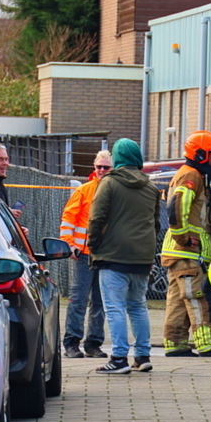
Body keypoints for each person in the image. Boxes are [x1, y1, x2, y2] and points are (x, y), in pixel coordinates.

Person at [87, 139, 161, 374]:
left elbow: (96, 217)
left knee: (115, 307)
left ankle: (119, 358)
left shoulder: (109, 183)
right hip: (142, 258)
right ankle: (142, 355)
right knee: (138, 306)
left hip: (113, 255)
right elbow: (156, 224)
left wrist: (94, 245)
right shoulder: (150, 187)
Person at [161, 131, 211, 357]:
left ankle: (176, 344)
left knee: (179, 300)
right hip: (186, 252)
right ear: (200, 155)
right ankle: (207, 344)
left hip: (178, 252)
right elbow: (176, 208)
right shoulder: (191, 176)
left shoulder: (193, 174)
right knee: (197, 296)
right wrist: (185, 239)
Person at [59, 150, 111, 359]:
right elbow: (68, 220)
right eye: (98, 166)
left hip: (105, 255)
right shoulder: (84, 191)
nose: (101, 170)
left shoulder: (114, 192)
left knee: (100, 302)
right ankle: (72, 342)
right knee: (78, 300)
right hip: (82, 255)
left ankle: (93, 344)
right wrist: (70, 245)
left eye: (105, 167)